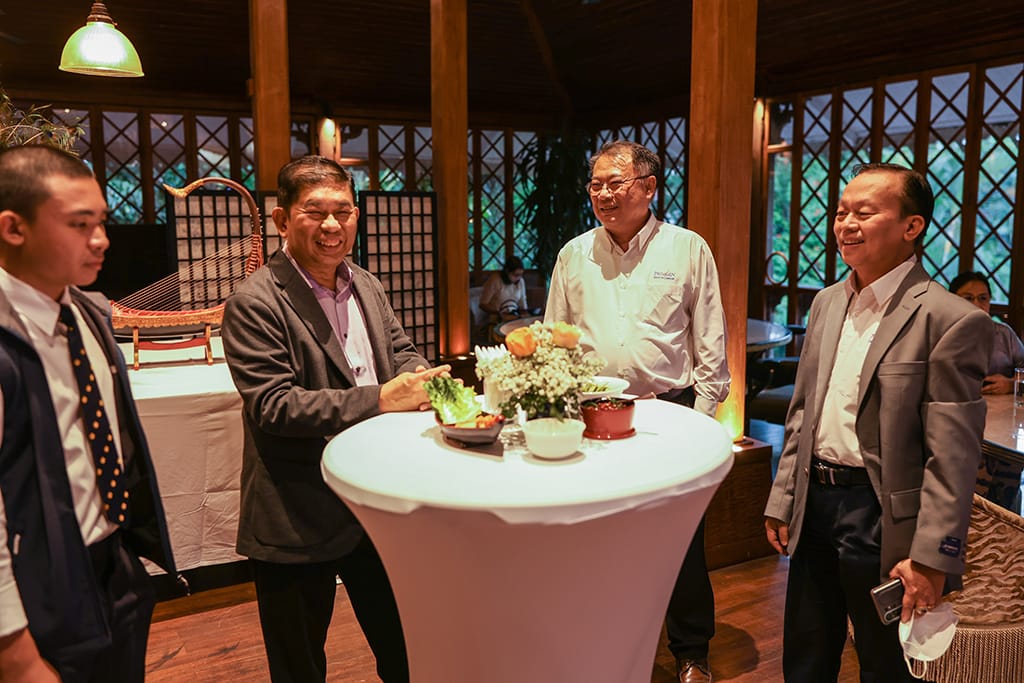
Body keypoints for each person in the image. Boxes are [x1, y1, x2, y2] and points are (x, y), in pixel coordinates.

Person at [221, 155, 449, 683]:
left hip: (376, 501)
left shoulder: (365, 284)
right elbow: (275, 405)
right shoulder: (255, 301)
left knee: (406, 650)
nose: (331, 225)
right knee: (299, 665)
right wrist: (382, 399)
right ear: (282, 220)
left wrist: (419, 378)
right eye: (315, 211)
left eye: (343, 212)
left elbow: (401, 351)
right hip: (297, 506)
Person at [764, 163, 991, 682]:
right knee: (805, 653)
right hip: (815, 502)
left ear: (912, 226)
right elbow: (803, 413)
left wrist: (932, 557)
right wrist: (783, 499)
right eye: (841, 212)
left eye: (864, 213)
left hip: (881, 514)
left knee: (884, 664)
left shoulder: (950, 319)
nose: (846, 224)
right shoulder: (826, 303)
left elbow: (952, 457)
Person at [544, 140, 730, 683]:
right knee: (597, 535)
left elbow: (710, 342)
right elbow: (555, 339)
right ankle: (604, 643)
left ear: (648, 187)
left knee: (680, 540)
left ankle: (691, 651)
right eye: (596, 185)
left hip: (669, 414)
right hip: (591, 416)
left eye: (615, 183)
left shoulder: (687, 249)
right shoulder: (574, 255)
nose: (603, 194)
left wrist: (701, 421)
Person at [0, 145, 178, 681]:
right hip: (39, 584)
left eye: (101, 222)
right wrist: (15, 653)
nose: (101, 240)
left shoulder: (84, 310)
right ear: (13, 228)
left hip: (112, 561)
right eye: (80, 225)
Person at [948, 270, 1024, 395]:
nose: (977, 304)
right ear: (953, 300)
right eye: (968, 298)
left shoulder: (1004, 333)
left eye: (983, 298)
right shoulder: (942, 333)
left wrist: (1011, 384)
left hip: (1001, 404)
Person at [480, 255, 529, 321]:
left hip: (514, 317)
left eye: (521, 275)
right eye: (516, 275)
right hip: (496, 319)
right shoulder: (495, 280)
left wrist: (525, 314)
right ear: (507, 271)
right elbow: (483, 304)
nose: (518, 278)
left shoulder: (520, 281)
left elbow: (522, 302)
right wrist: (499, 313)